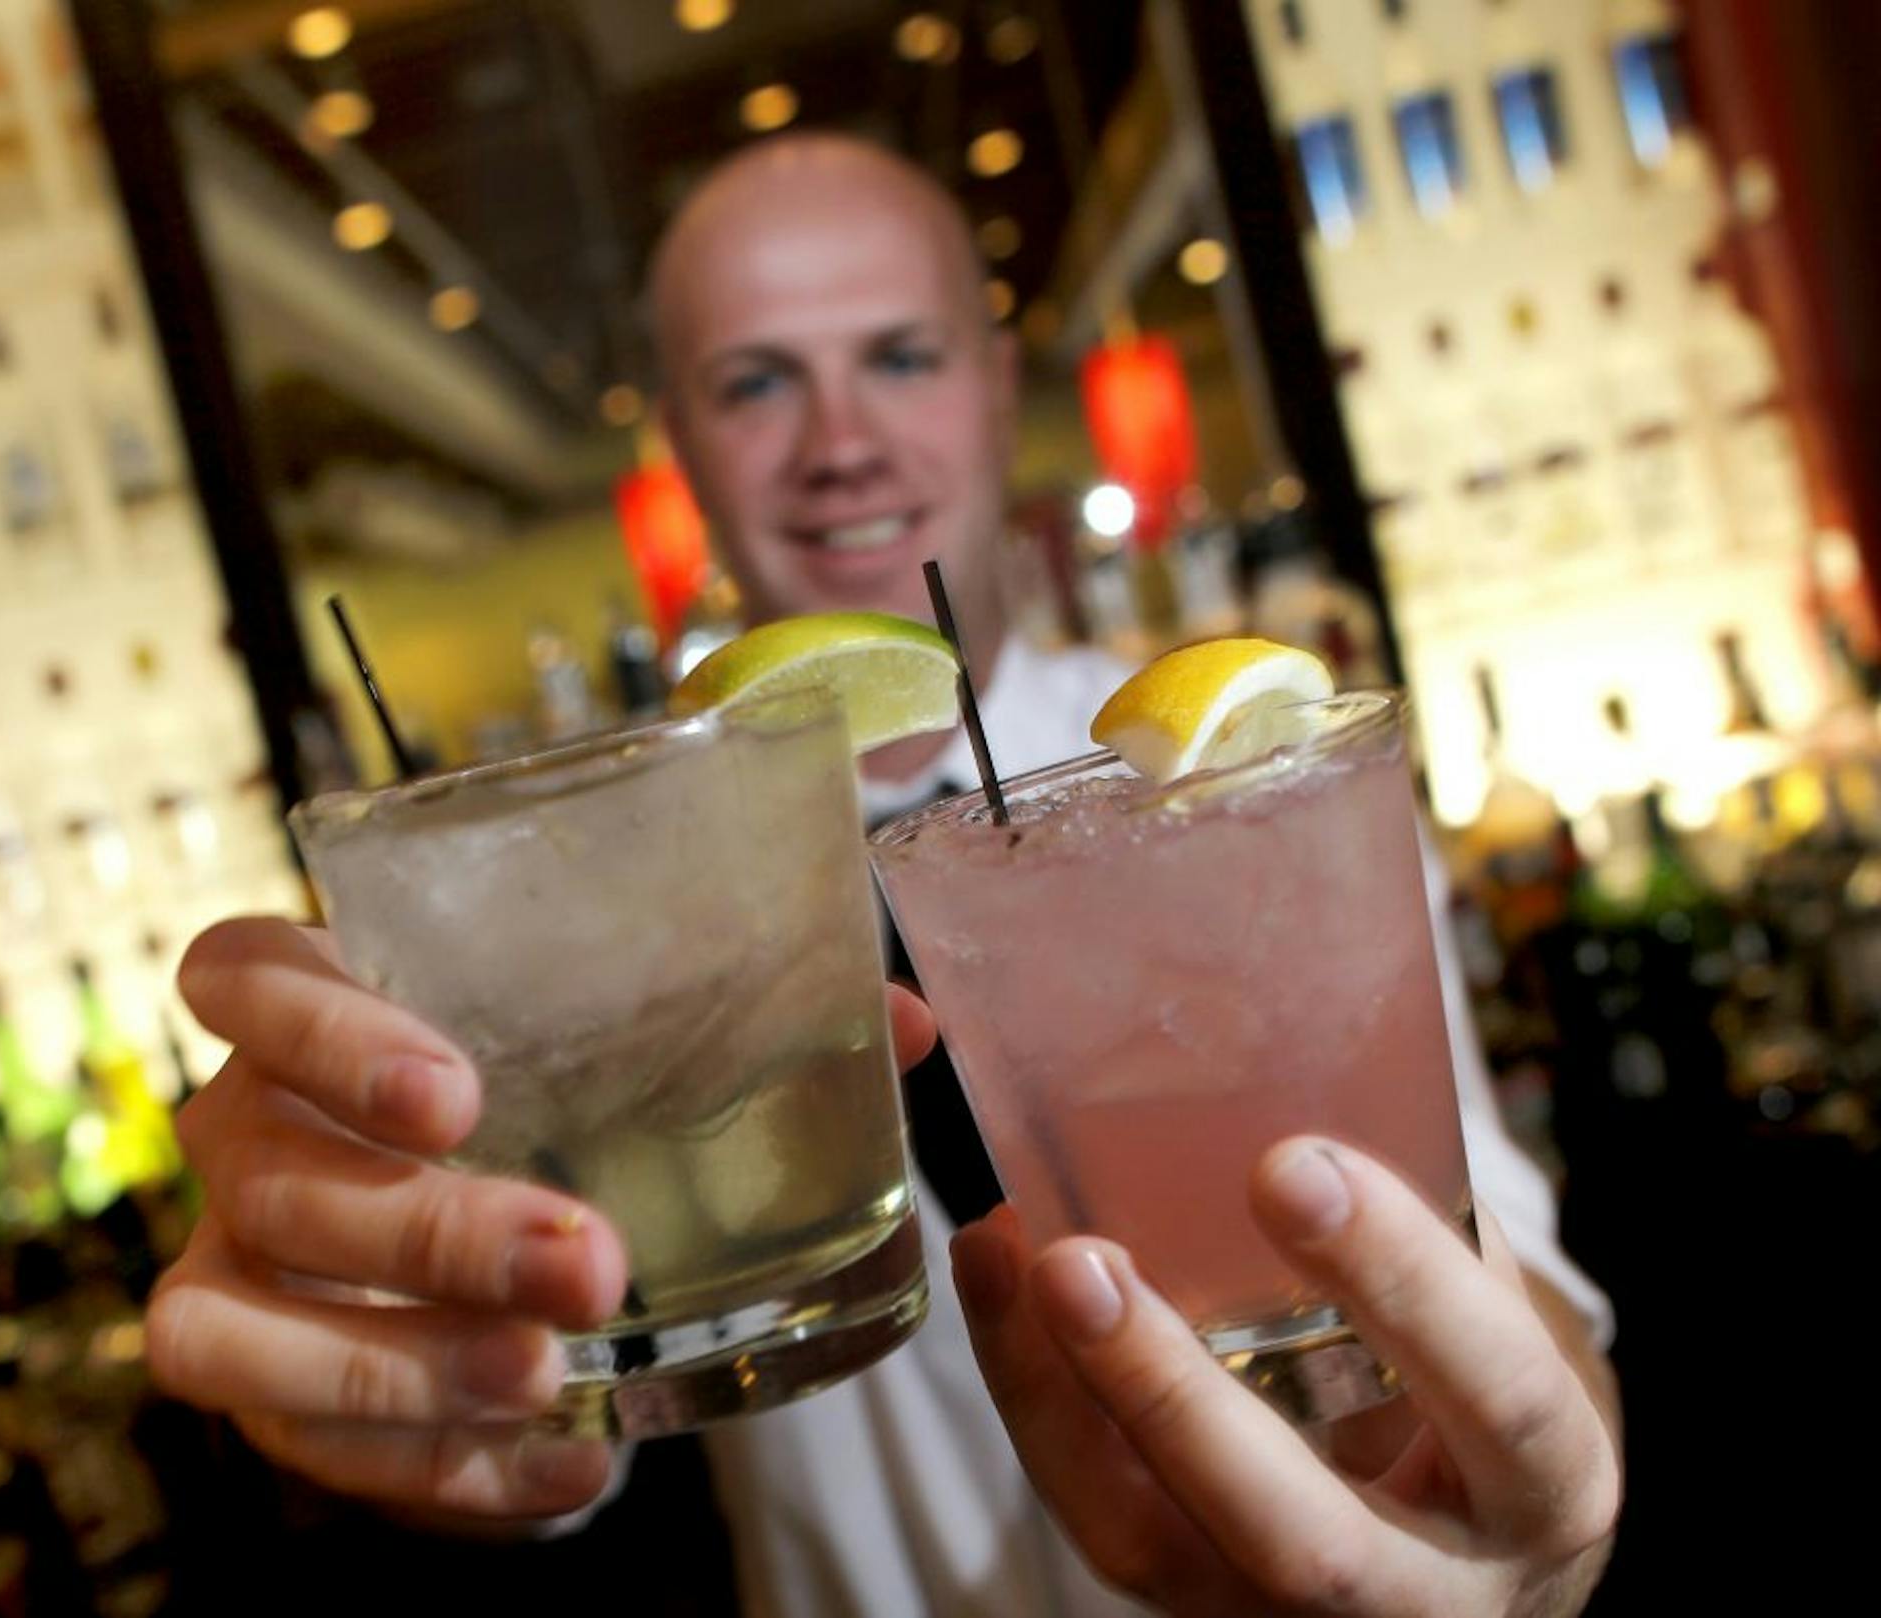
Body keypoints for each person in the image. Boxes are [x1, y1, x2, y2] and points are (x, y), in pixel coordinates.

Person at [148, 134, 1622, 1616]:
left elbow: (1503, 1260)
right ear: (679, 441)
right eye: (757, 381)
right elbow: (576, 1354)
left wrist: (1524, 1508)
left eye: (901, 356)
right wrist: (427, 1345)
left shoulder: (1244, 795)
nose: (840, 437)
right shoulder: (585, 883)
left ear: (993, 379)